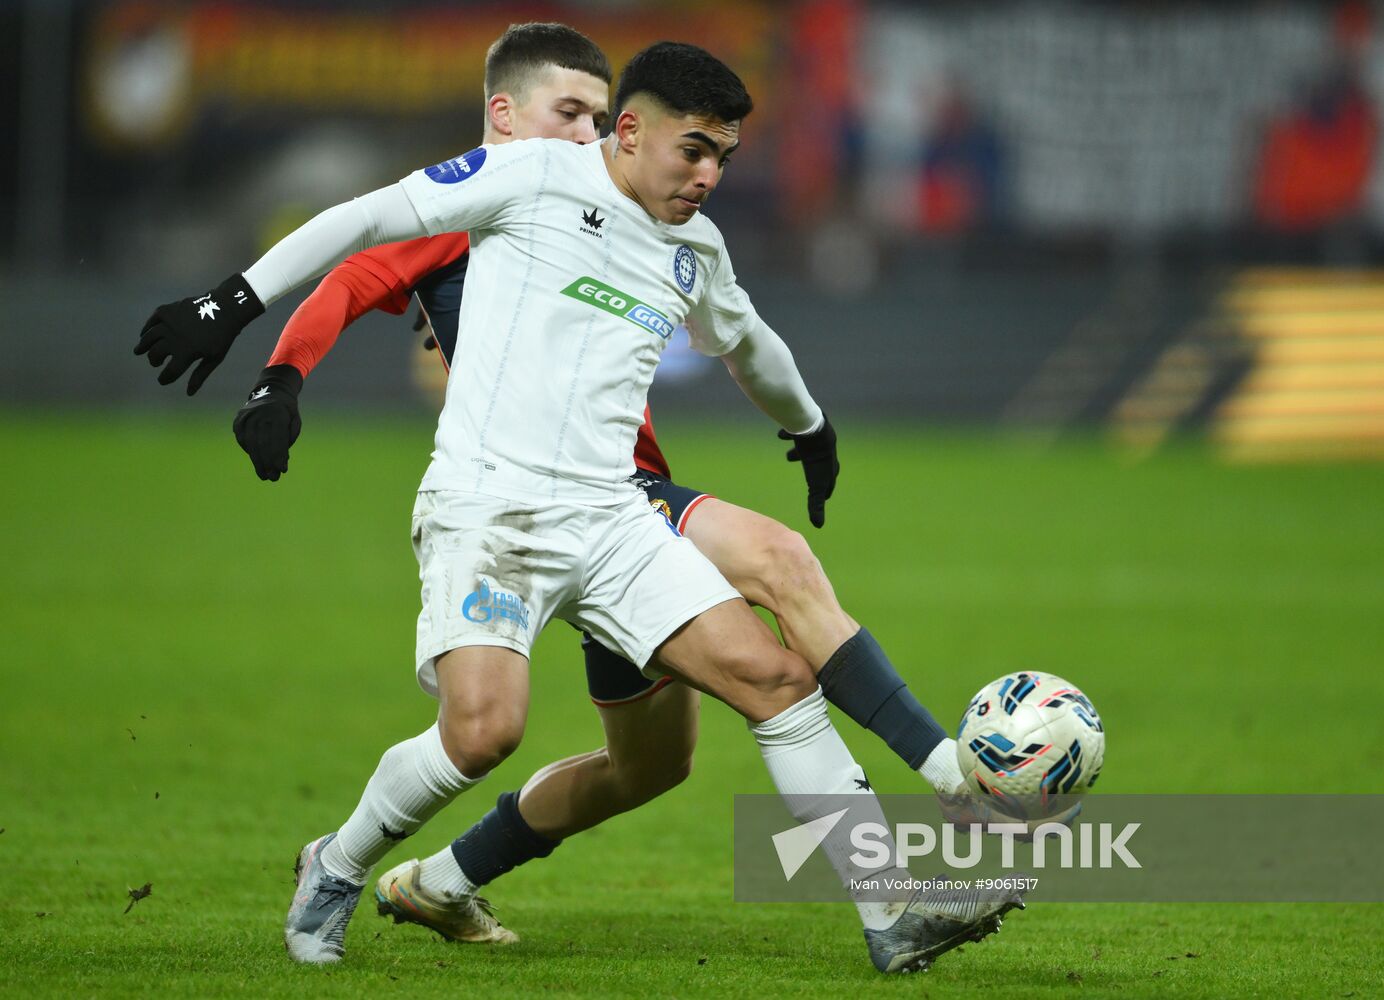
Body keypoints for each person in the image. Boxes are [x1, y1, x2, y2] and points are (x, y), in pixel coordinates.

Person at [136, 35, 1022, 974]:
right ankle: (339, 862)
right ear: (630, 132)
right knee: (484, 732)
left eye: (723, 157)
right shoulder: (530, 176)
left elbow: (749, 343)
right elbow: (367, 221)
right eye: (694, 149)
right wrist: (230, 304)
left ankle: (893, 913)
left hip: (612, 518)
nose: (708, 175)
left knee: (774, 681)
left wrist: (810, 427)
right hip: (490, 510)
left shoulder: (696, 248)